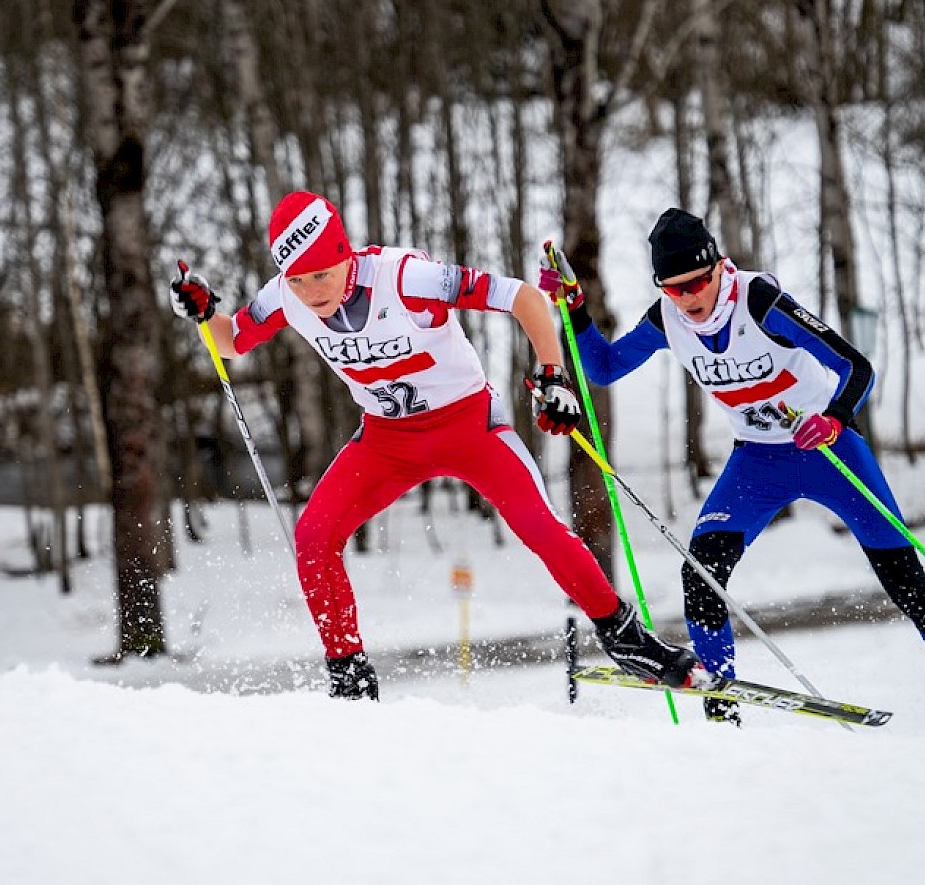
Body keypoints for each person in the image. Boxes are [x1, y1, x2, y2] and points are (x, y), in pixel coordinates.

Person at [170, 190, 699, 699]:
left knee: (539, 526)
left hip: (469, 427)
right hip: (386, 441)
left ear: (345, 255)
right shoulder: (285, 294)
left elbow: (523, 298)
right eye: (300, 279)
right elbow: (230, 340)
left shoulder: (406, 277)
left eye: (322, 275)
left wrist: (552, 374)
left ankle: (626, 639)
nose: (312, 292)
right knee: (313, 536)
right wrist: (202, 307)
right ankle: (349, 677)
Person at [540, 207, 925, 724]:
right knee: (701, 573)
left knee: (903, 577)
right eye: (674, 288)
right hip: (757, 462)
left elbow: (855, 366)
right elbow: (605, 367)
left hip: (826, 451)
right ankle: (720, 710)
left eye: (698, 282)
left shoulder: (760, 302)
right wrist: (578, 312)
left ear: (719, 265)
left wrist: (834, 418)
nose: (690, 298)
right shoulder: (666, 318)